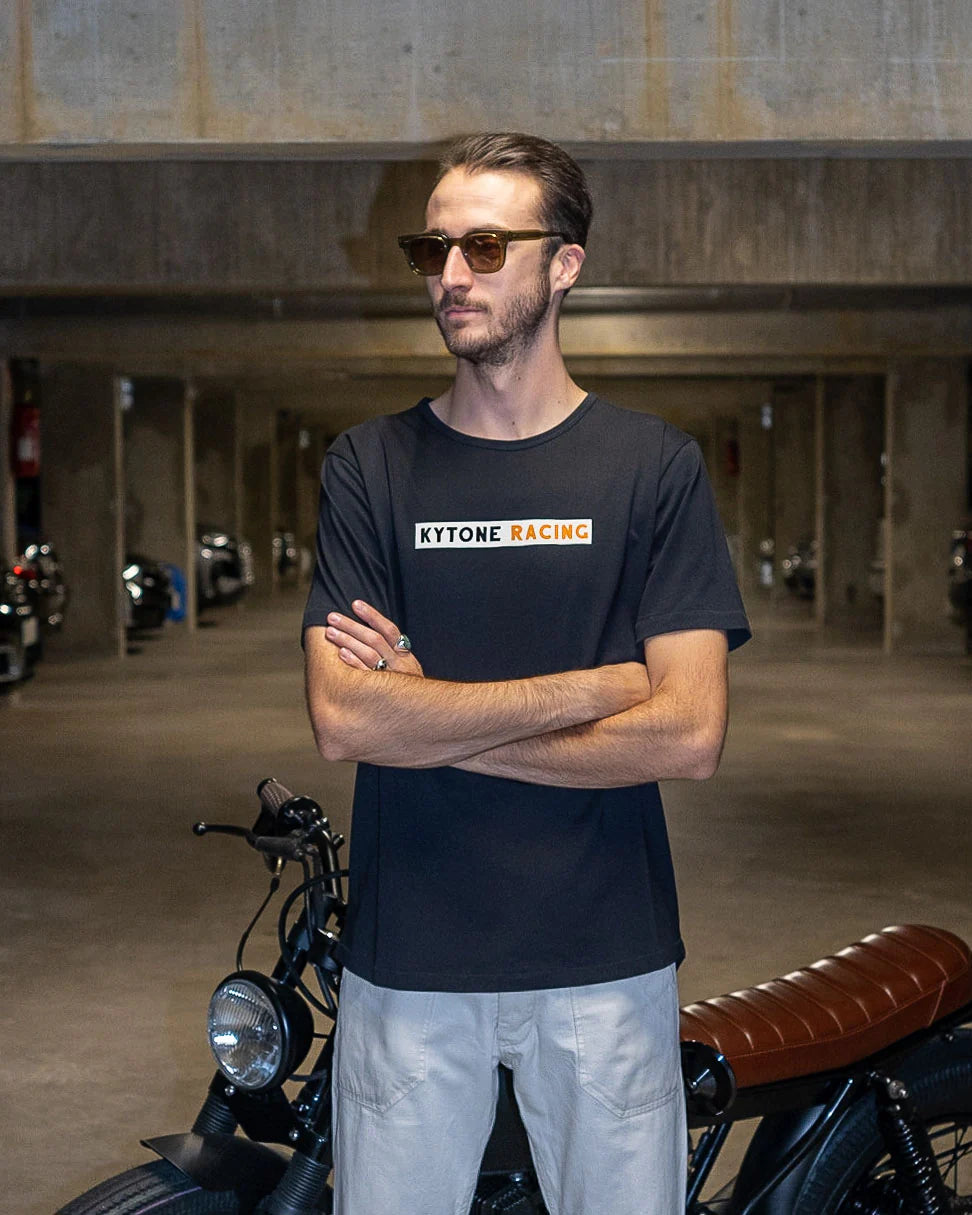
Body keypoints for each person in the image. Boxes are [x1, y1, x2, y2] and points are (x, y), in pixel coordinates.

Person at [302, 131, 751, 1215]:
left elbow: (689, 734)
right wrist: (597, 687)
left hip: (607, 961)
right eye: (434, 249)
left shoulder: (654, 467)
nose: (452, 275)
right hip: (409, 966)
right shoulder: (369, 467)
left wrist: (428, 718)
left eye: (487, 247)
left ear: (566, 265)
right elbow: (346, 722)